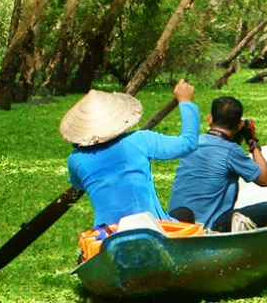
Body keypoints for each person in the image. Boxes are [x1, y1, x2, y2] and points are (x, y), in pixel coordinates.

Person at [60, 80, 200, 229]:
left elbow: (77, 184)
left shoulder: (75, 160)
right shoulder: (140, 140)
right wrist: (185, 102)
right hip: (153, 229)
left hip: (108, 234)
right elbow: (188, 143)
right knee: (185, 213)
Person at [167, 96, 267, 233]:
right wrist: (253, 143)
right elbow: (264, 179)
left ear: (210, 118)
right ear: (240, 125)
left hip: (176, 222)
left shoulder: (192, 144)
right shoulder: (231, 151)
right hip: (207, 228)